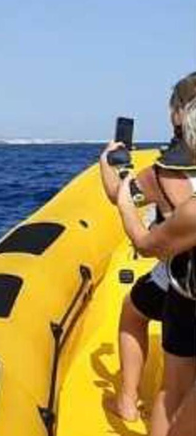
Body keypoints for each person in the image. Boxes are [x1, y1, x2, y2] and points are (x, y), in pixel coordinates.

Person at [99, 71, 196, 421]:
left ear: (178, 115)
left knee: (132, 313)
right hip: (179, 275)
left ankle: (127, 400)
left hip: (179, 279)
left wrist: (108, 164)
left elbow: (119, 196)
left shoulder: (162, 174)